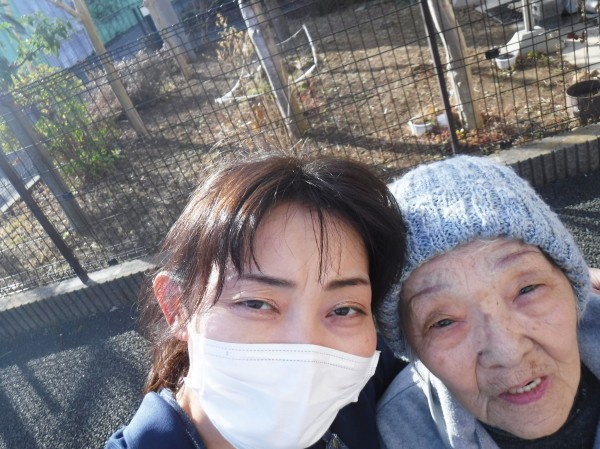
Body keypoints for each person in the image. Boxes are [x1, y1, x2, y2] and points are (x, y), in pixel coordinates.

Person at [105, 152, 407, 449]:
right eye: (256, 303)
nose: (306, 350)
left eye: (344, 309)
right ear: (177, 306)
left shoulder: (366, 383)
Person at [376, 155, 600, 448]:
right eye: (444, 322)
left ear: (572, 286)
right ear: (413, 349)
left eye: (528, 289)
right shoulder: (392, 437)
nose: (508, 353)